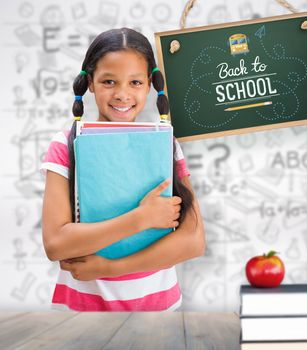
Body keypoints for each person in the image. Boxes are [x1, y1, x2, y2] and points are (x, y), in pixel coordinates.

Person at [40, 28, 205, 311]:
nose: (122, 94)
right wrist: (141, 218)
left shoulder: (166, 143)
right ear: (89, 83)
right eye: (108, 81)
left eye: (135, 82)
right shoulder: (65, 144)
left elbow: (193, 241)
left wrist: (111, 267)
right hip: (82, 313)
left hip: (159, 311)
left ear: (150, 85)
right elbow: (56, 244)